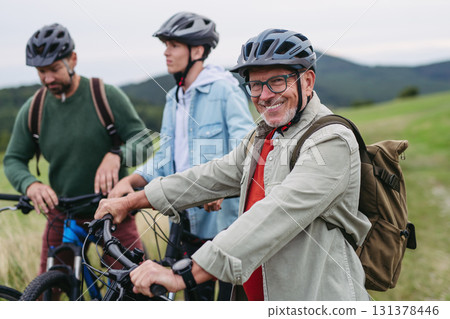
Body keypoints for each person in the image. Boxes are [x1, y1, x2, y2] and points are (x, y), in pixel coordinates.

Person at [95, 29, 372, 301]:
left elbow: (278, 213)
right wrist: (133, 201)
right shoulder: (265, 134)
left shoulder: (331, 140)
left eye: (277, 81)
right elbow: (213, 175)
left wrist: (184, 274)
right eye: (255, 84)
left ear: (308, 81)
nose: (264, 96)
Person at [108, 12, 254, 301]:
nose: (166, 52)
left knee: (228, 302)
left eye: (173, 45)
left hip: (224, 226)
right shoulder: (174, 97)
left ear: (197, 51)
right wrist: (131, 179)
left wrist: (223, 188)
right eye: (166, 45)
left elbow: (246, 144)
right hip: (185, 220)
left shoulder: (224, 89)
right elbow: (166, 155)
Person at [3, 23, 147, 274]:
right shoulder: (33, 108)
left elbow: (145, 142)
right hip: (63, 214)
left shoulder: (104, 95)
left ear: (73, 59)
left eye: (54, 69)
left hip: (115, 211)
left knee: (135, 285)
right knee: (47, 292)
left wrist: (117, 155)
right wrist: (30, 184)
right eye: (41, 71)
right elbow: (13, 159)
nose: (47, 78)